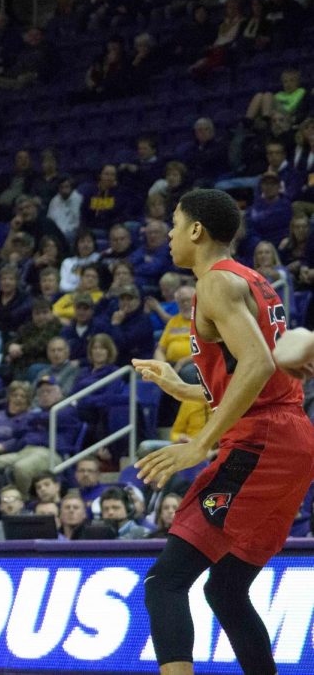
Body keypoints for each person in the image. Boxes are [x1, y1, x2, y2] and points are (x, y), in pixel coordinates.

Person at [133, 188, 314, 675]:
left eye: (174, 224)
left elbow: (256, 363)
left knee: (164, 583)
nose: (168, 234)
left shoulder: (214, 283)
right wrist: (184, 388)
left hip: (261, 442)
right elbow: (258, 373)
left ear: (196, 230)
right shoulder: (249, 279)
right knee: (226, 589)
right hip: (288, 437)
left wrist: (201, 443)